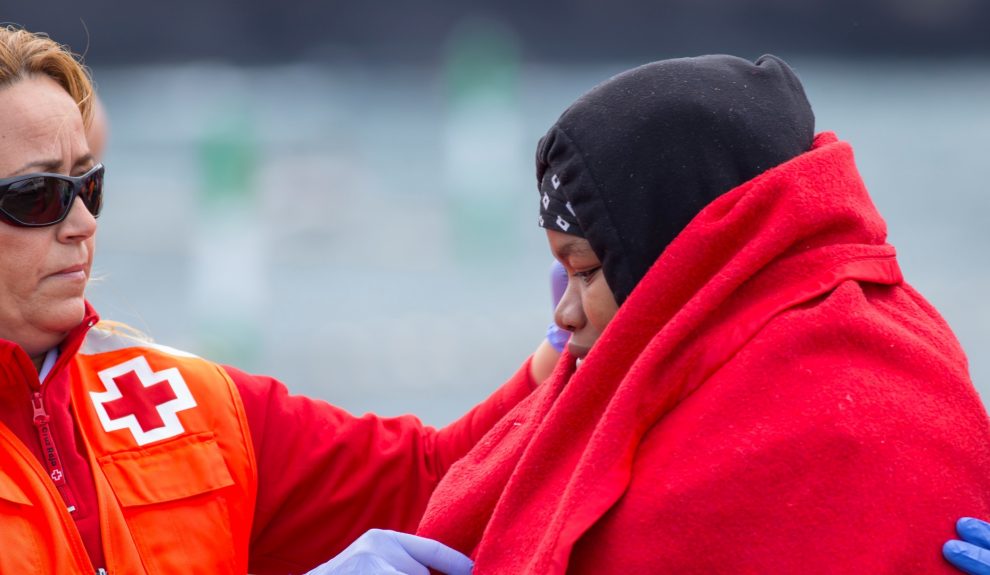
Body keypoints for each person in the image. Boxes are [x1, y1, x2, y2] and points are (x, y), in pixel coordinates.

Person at [0, 24, 559, 574]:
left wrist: (576, 338)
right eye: (39, 195)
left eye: (87, 185)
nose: (81, 224)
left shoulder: (189, 406)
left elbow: (434, 478)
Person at [415, 54, 990, 572]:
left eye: (586, 270)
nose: (564, 314)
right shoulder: (911, 340)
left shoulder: (793, 439)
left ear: (672, 253)